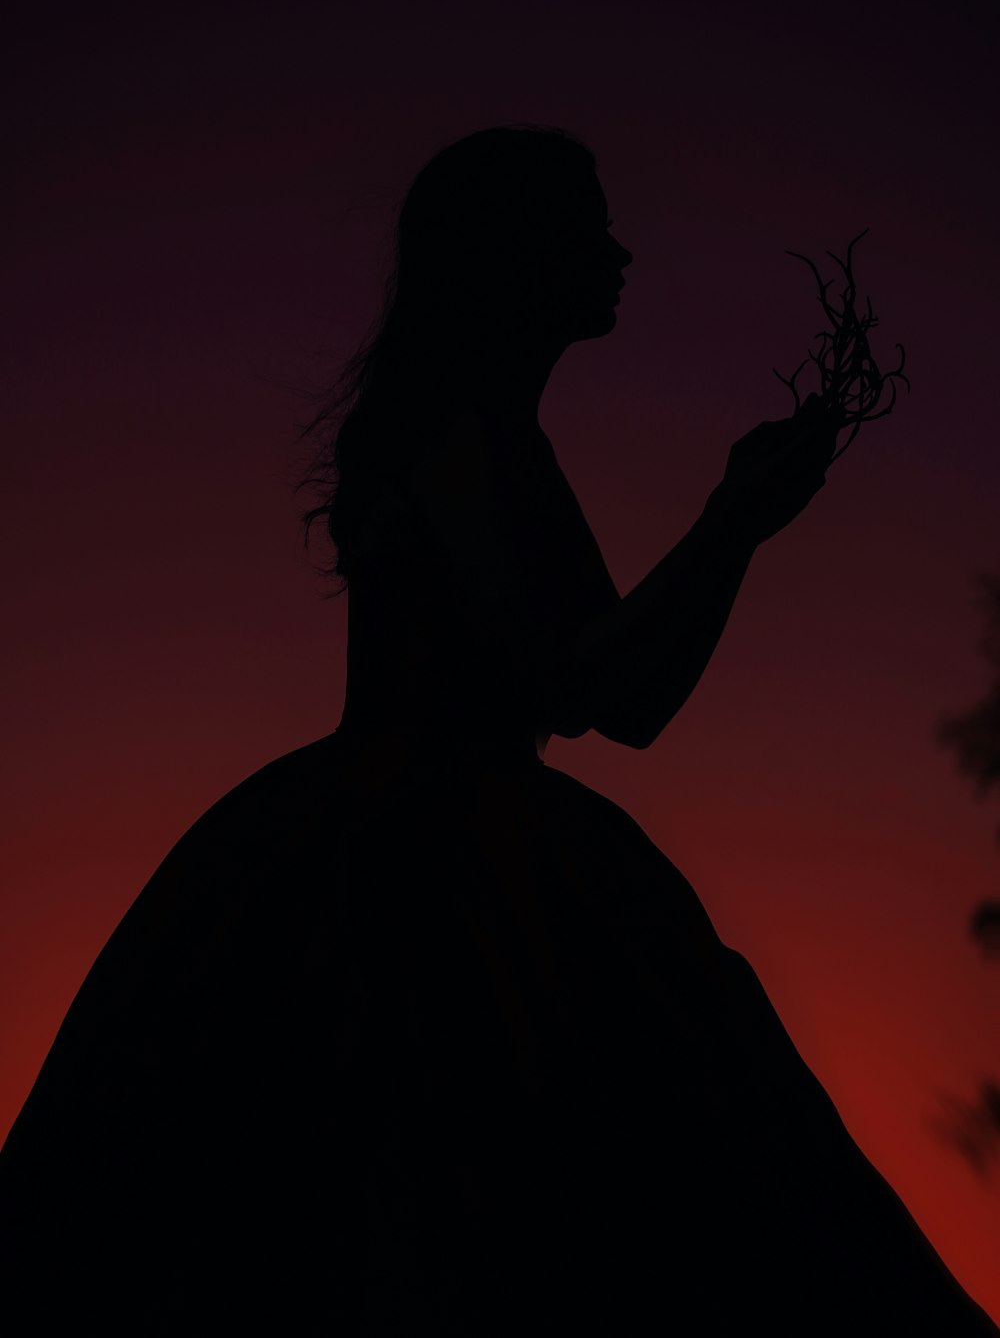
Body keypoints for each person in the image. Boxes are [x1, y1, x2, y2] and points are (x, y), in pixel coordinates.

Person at [1, 123, 995, 1334]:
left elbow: (623, 702)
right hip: (415, 858)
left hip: (456, 829)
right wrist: (732, 521)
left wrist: (739, 524)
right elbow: (585, 684)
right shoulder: (450, 434)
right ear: (514, 252)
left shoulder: (491, 437)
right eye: (589, 225)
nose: (619, 251)